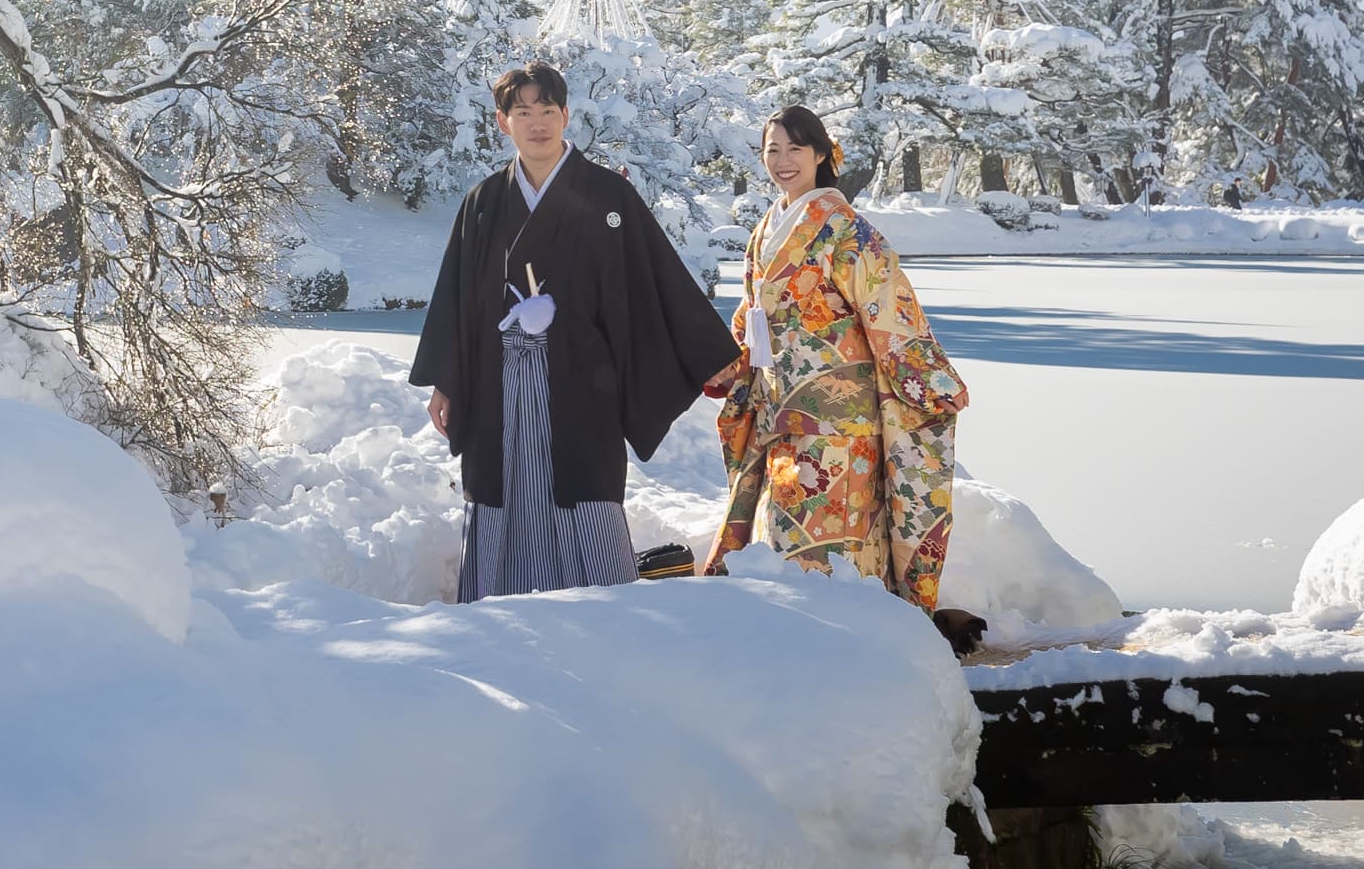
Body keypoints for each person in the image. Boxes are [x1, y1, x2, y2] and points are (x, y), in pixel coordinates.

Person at [412, 61, 737, 598]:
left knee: (584, 483)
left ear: (566, 116)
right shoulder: (484, 203)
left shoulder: (609, 197)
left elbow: (654, 276)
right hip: (499, 379)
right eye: (522, 112)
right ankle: (498, 601)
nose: (536, 123)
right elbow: (457, 298)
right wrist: (446, 380)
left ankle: (602, 604)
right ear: (502, 122)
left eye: (546, 111)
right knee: (502, 485)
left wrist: (707, 348)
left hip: (584, 378)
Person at [705, 104, 971, 611]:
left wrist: (924, 379)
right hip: (780, 406)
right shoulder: (768, 228)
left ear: (822, 154)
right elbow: (751, 315)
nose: (783, 161)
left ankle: (854, 642)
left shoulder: (847, 228)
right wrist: (731, 358)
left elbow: (889, 307)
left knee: (840, 531)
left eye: (795, 149)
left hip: (839, 416)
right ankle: (799, 639)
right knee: (787, 527)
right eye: (772, 151)